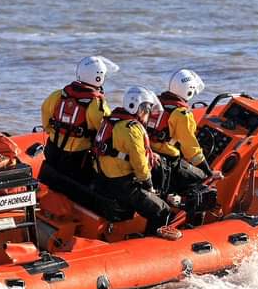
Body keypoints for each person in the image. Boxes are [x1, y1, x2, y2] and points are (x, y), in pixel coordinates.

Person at [92, 86, 180, 239]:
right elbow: (140, 165)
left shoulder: (111, 120)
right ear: (140, 109)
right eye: (147, 111)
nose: (148, 115)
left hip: (102, 179)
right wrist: (149, 186)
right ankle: (151, 245)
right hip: (121, 185)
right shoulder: (132, 129)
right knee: (162, 210)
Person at [40, 56, 117, 182]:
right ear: (99, 77)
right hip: (76, 158)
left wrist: (49, 130)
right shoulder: (96, 104)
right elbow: (106, 130)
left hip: (52, 150)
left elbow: (44, 110)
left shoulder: (59, 94)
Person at [148, 69, 222, 196]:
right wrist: (208, 172)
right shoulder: (182, 114)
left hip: (150, 153)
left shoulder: (156, 103)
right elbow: (191, 150)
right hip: (168, 160)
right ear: (189, 90)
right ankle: (188, 211)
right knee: (202, 178)